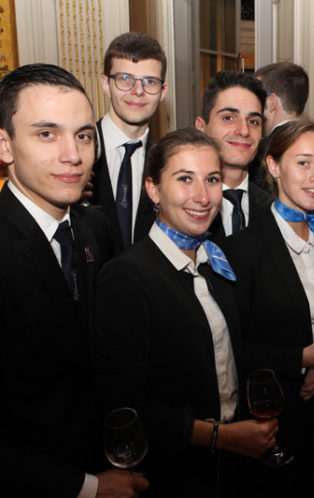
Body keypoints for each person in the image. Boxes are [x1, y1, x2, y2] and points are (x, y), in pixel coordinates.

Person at [93, 127, 276, 497]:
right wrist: (219, 436)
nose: (202, 196)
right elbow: (125, 402)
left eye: (211, 179)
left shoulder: (215, 262)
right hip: (174, 471)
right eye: (184, 179)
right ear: (153, 190)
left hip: (230, 465)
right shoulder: (127, 277)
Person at [0, 63, 148, 497]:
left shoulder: (94, 228)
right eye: (46, 134)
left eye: (84, 135)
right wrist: (87, 487)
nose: (73, 155)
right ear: (4, 145)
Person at [223, 120, 314, 497]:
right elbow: (233, 350)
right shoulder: (242, 250)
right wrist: (300, 358)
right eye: (304, 163)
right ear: (274, 166)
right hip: (275, 420)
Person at [90, 32, 168, 254]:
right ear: (106, 84)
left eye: (150, 81)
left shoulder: (166, 162)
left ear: (162, 91)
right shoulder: (75, 153)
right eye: (125, 79)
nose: (138, 91)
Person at [195, 71, 272, 240]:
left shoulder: (273, 209)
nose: (244, 131)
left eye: (253, 122)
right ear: (201, 126)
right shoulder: (184, 206)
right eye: (229, 118)